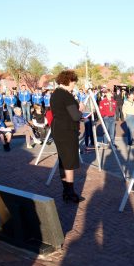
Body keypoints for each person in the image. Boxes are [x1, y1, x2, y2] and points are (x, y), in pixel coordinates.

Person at [50, 70, 86, 203]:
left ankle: (66, 191)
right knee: (68, 162)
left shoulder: (55, 94)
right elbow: (75, 116)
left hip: (58, 129)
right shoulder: (66, 95)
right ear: (69, 81)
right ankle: (70, 193)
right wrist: (81, 108)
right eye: (74, 83)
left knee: (63, 160)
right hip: (67, 131)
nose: (74, 86)